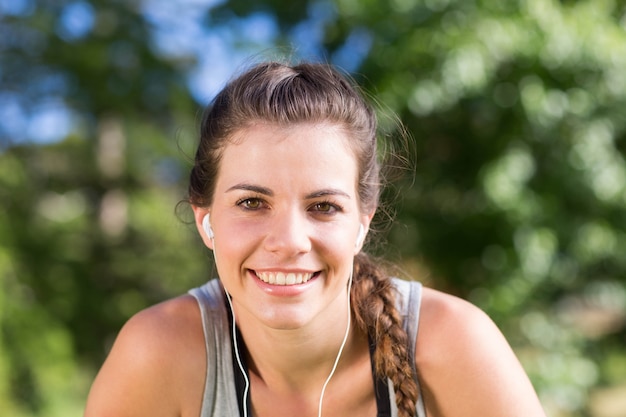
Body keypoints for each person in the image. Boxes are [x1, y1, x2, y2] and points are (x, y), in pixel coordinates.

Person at [84, 61, 547, 417]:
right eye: (251, 203)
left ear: (362, 222)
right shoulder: (159, 353)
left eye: (323, 207)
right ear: (206, 219)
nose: (288, 241)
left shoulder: (452, 345)